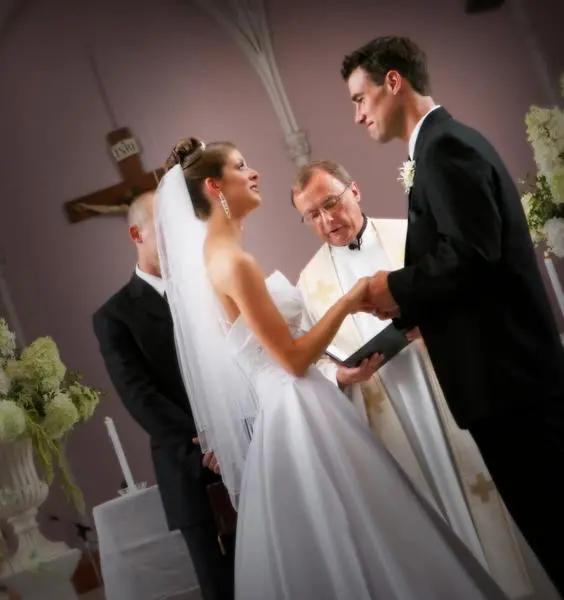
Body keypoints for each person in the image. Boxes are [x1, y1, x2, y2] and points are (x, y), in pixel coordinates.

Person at [156, 136, 509, 599]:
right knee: (364, 529)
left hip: (299, 403)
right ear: (213, 186)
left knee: (359, 531)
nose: (254, 173)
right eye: (242, 166)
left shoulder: (220, 259)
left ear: (353, 192)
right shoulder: (232, 263)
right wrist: (346, 302)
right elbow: (294, 359)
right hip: (300, 407)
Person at [341, 35, 564, 594]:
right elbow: (470, 265)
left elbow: (470, 253)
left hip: (511, 385)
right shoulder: (439, 147)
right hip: (509, 383)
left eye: (359, 98)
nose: (357, 114)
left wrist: (393, 285)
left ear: (393, 82)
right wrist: (417, 309)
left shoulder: (444, 149)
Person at [293, 159, 533, 598]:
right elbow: (313, 359)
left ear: (355, 191)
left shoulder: (412, 235)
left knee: (486, 494)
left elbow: (471, 293)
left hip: (446, 382)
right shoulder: (308, 283)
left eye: (332, 203)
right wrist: (341, 375)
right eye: (312, 214)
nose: (327, 220)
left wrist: (437, 322)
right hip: (387, 411)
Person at [92, 190, 235, 600]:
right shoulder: (115, 316)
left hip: (245, 450)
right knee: (222, 588)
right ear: (137, 234)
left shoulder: (208, 286)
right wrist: (208, 440)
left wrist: (233, 433)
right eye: (164, 228)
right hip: (188, 465)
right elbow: (141, 397)